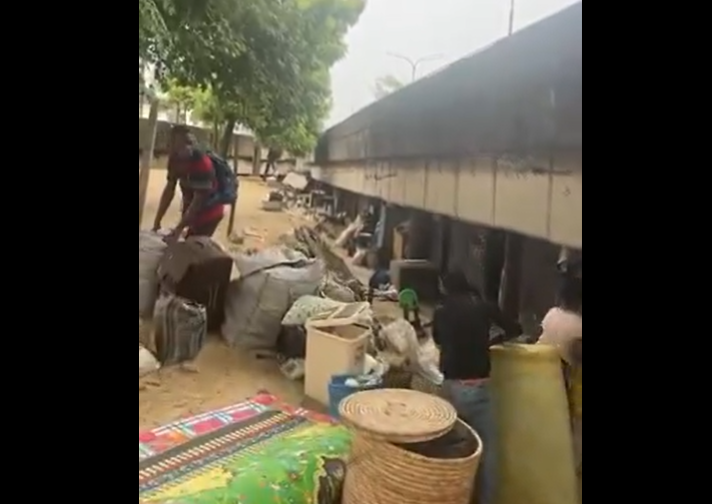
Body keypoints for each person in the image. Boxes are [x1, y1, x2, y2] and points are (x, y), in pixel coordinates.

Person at [433, 271, 521, 504]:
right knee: (488, 452)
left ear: (444, 287)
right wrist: (490, 342)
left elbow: (439, 340)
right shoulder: (484, 307)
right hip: (479, 388)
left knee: (450, 448)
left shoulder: (442, 311)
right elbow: (516, 329)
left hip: (451, 388)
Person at [153, 126, 225, 242]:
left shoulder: (202, 164)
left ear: (189, 145)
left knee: (194, 246)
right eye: (172, 144)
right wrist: (157, 223)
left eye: (180, 145)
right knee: (185, 243)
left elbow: (197, 203)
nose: (173, 148)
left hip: (210, 212)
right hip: (190, 209)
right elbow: (169, 191)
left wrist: (178, 230)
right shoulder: (174, 159)